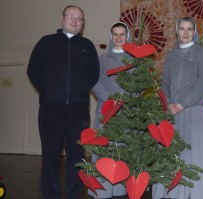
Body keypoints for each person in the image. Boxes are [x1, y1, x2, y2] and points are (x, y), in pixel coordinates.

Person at [27, 5, 99, 199]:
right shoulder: (46, 42)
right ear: (62, 19)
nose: (75, 21)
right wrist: (49, 91)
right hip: (51, 109)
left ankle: (74, 195)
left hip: (79, 111)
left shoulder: (87, 46)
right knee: (50, 156)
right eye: (71, 16)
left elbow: (94, 75)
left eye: (79, 18)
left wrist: (79, 91)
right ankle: (50, 195)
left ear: (83, 23)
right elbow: (33, 69)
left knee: (76, 157)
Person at [152, 16, 203, 199]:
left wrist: (183, 103)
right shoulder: (171, 55)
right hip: (172, 111)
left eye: (189, 29)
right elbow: (164, 83)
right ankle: (173, 193)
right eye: (182, 28)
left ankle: (199, 193)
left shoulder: (200, 52)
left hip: (193, 109)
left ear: (194, 31)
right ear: (177, 31)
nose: (186, 32)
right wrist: (170, 103)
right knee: (172, 152)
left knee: (196, 153)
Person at [88, 22, 132, 199]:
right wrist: (109, 99)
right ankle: (102, 190)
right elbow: (94, 82)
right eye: (115, 34)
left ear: (127, 36)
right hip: (105, 112)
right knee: (102, 151)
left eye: (122, 34)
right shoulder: (102, 59)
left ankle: (121, 189)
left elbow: (139, 85)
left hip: (126, 112)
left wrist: (126, 100)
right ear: (111, 36)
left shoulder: (133, 60)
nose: (119, 38)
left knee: (122, 151)